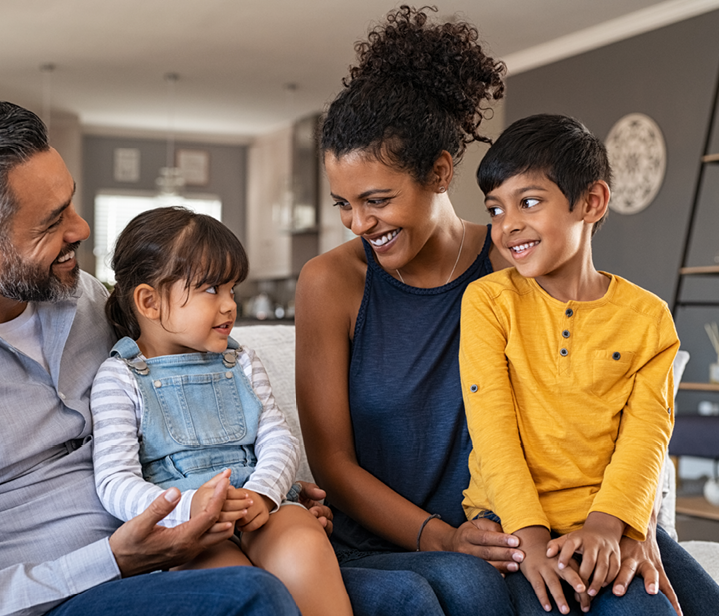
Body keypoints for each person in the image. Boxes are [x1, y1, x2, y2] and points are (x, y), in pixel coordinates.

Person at [0, 101, 302, 616]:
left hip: (190, 552)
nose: (81, 228)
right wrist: (114, 561)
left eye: (72, 204)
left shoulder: (85, 299)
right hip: (61, 601)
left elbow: (173, 402)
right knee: (249, 599)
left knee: (386, 591)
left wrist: (255, 487)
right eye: (52, 221)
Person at [295, 6, 702, 616]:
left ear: (439, 171)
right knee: (473, 586)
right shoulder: (330, 281)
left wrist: (633, 526)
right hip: (403, 543)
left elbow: (614, 411)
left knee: (682, 596)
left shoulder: (518, 259)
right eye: (343, 204)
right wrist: (444, 536)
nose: (359, 223)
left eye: (377, 200)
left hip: (532, 525)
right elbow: (332, 462)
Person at [460, 113, 688, 615]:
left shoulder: (648, 318)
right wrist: (532, 538)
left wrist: (613, 526)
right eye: (495, 209)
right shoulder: (488, 302)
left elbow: (647, 434)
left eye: (530, 202)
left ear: (592, 202)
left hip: (606, 520)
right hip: (515, 524)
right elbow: (492, 429)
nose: (507, 225)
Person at [90, 206, 352, 616]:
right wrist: (186, 507)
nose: (230, 305)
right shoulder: (118, 379)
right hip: (186, 527)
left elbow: (279, 438)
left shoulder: (242, 361)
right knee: (233, 587)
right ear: (149, 301)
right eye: (212, 289)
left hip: (259, 503)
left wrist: (263, 493)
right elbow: (114, 480)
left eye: (233, 289)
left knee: (302, 541)